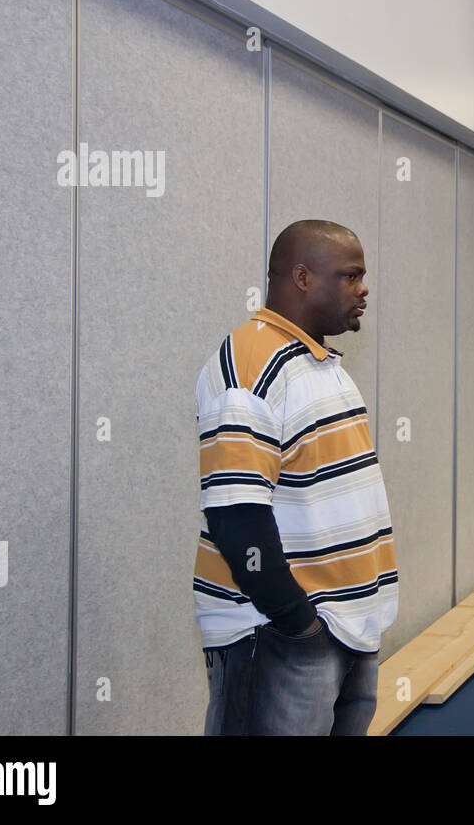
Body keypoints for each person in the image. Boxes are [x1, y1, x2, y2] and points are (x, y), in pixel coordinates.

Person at [193, 219, 397, 736]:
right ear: (302, 278)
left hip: (344, 627)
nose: (363, 288)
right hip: (281, 634)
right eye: (351, 276)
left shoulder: (317, 362)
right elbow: (236, 519)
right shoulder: (252, 367)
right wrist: (300, 625)